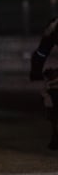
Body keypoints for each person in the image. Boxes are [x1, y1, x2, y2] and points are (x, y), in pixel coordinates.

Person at [29, 16, 58, 150]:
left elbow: (40, 55)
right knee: (50, 94)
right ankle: (55, 134)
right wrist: (37, 74)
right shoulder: (53, 27)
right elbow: (40, 54)